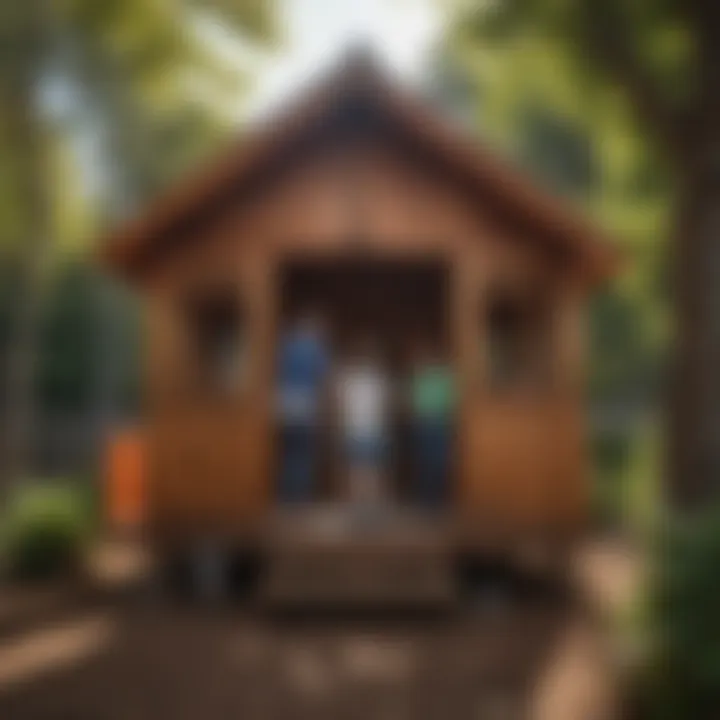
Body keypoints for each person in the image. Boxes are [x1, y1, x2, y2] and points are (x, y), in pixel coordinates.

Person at [276, 312, 329, 503]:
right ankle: (299, 496)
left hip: (284, 404)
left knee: (286, 452)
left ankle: (286, 493)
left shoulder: (284, 344)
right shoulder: (317, 350)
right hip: (307, 405)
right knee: (304, 453)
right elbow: (323, 380)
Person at [333, 339, 391, 511]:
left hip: (356, 429)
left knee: (356, 470)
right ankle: (369, 505)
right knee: (371, 470)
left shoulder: (347, 380)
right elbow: (385, 406)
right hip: (370, 429)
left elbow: (340, 405)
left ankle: (358, 505)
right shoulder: (379, 380)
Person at [410, 343, 455, 508]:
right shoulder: (445, 377)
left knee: (427, 461)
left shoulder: (422, 377)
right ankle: (434, 499)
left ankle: (428, 499)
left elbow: (414, 402)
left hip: (428, 422)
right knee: (435, 461)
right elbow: (452, 402)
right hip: (438, 422)